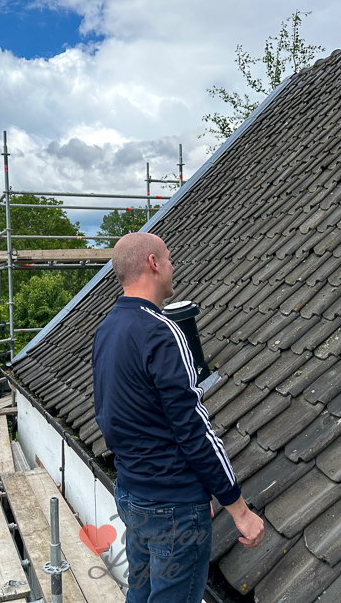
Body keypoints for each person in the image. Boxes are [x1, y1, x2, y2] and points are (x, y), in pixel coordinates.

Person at [92, 232, 264, 603]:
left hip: (132, 494)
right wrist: (239, 510)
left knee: (140, 594)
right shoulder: (161, 331)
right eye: (169, 258)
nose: (173, 266)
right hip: (173, 508)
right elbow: (195, 430)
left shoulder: (107, 329)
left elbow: (108, 416)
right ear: (153, 263)